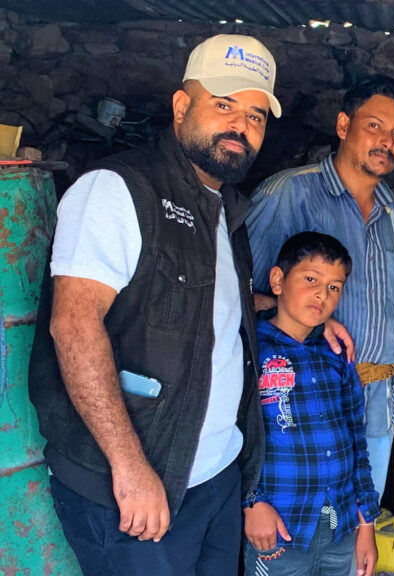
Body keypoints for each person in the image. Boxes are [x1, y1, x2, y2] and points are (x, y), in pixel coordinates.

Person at [28, 34, 281, 576]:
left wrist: (303, 318)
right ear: (181, 106)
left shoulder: (224, 210)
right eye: (224, 105)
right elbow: (73, 325)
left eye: (255, 116)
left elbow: (211, 312)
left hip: (215, 476)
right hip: (140, 491)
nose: (240, 125)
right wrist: (130, 468)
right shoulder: (118, 190)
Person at [246, 74, 394, 506]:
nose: (386, 142)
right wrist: (317, 318)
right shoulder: (288, 195)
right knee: (295, 543)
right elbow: (233, 293)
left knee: (356, 540)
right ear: (343, 126)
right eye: (374, 126)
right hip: (299, 410)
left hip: (374, 410)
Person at [243, 231, 379, 576]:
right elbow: (231, 434)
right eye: (310, 279)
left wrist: (367, 525)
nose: (322, 293)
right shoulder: (250, 350)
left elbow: (356, 442)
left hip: (340, 528)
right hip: (277, 527)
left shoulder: (336, 355)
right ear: (277, 280)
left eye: (334, 287)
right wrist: (251, 502)